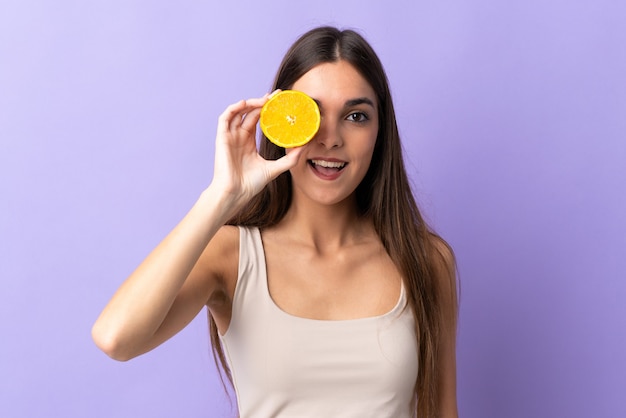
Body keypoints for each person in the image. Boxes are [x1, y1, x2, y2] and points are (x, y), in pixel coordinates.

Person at [92, 26, 459, 418]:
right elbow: (117, 338)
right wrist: (220, 196)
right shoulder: (230, 256)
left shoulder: (425, 260)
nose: (330, 138)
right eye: (311, 113)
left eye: (355, 116)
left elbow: (441, 411)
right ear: (280, 123)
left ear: (379, 132)